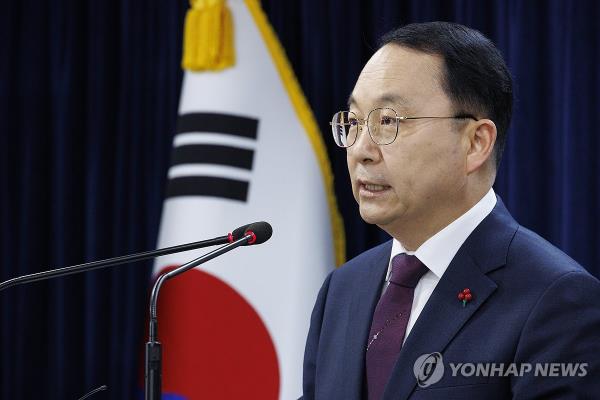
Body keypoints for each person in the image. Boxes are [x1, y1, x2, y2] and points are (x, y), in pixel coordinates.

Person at [301, 22, 600, 400]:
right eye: (355, 122)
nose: (361, 149)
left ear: (476, 143)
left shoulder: (556, 301)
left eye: (388, 121)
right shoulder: (342, 290)